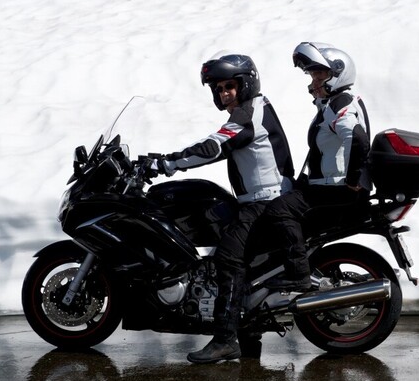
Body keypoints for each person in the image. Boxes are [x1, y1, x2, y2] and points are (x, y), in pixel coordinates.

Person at [148, 52, 294, 364]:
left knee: (229, 258)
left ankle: (226, 339)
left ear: (246, 84)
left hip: (264, 202)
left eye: (230, 86)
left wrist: (167, 162)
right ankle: (248, 325)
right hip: (264, 197)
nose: (224, 93)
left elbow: (214, 146)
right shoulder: (253, 108)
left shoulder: (247, 116)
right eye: (219, 88)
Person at [257, 42, 371, 291]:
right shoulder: (333, 104)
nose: (314, 80)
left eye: (321, 74)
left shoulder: (340, 104)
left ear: (338, 74)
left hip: (339, 189)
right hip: (330, 184)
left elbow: (358, 138)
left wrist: (353, 180)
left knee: (279, 211)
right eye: (312, 74)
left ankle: (298, 274)